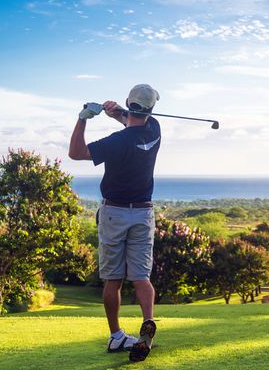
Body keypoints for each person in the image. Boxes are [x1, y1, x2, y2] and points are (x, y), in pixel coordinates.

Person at [68, 84, 161, 362]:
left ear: (128, 103)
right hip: (143, 213)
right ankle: (148, 321)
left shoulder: (115, 142)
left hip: (114, 214)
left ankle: (117, 336)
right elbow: (132, 120)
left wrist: (83, 117)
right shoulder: (155, 129)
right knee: (141, 277)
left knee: (113, 279)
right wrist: (116, 113)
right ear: (151, 109)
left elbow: (76, 152)